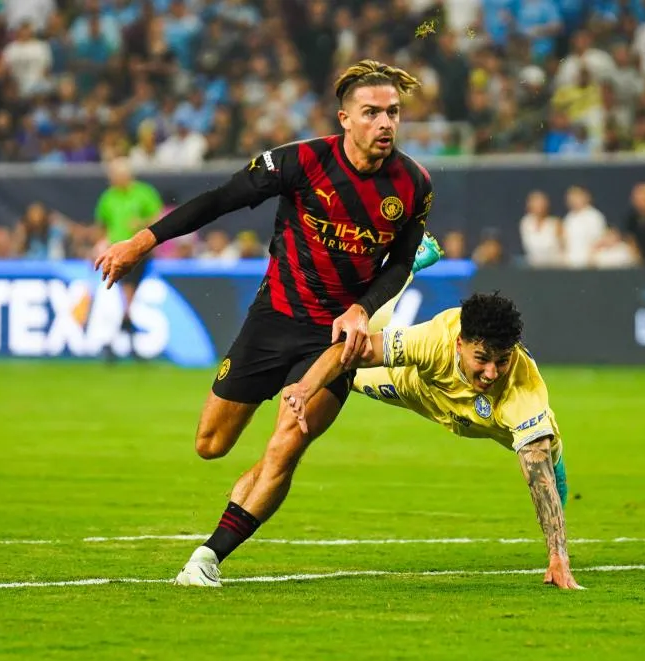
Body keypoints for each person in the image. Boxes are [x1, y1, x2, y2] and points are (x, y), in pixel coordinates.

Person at [93, 60, 444, 587]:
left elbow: (397, 263)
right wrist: (140, 243)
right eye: (371, 113)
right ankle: (231, 519)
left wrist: (361, 309)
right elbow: (219, 201)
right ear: (344, 118)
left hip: (334, 339)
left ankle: (208, 557)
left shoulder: (414, 183)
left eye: (392, 113)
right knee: (211, 445)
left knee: (286, 444)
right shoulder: (300, 162)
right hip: (273, 319)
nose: (384, 123)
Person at [282, 292, 582, 590]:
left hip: (493, 417)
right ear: (459, 344)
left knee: (546, 455)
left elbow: (537, 476)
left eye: (502, 360)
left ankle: (559, 478)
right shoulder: (433, 338)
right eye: (482, 359)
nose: (491, 372)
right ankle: (409, 271)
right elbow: (350, 351)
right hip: (417, 390)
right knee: (344, 367)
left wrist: (558, 557)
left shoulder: (522, 390)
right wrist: (304, 389)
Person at [93, 157, 164, 351]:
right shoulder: (108, 197)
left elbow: (158, 218)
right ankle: (126, 322)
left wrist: (141, 224)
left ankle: (122, 325)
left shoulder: (144, 193)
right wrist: (100, 245)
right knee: (124, 292)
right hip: (115, 251)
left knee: (125, 290)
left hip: (139, 251)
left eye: (115, 176)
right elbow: (102, 225)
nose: (112, 179)